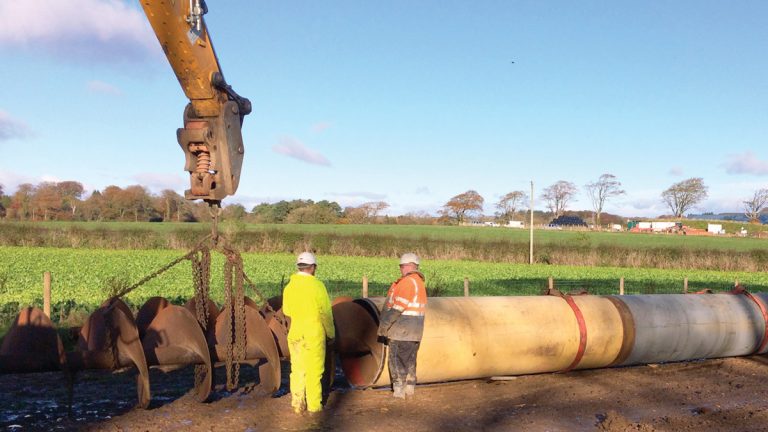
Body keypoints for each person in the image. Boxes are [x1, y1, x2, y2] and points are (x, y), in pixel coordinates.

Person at [281, 252, 335, 414]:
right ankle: (314, 407)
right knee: (314, 371)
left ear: (299, 267)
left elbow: (287, 310)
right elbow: (325, 313)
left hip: (295, 333)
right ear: (312, 268)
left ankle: (297, 405)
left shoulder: (290, 286)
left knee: (297, 370)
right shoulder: (317, 286)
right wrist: (331, 334)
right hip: (313, 335)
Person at [377, 252, 427, 399]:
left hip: (401, 330)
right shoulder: (419, 283)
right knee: (410, 360)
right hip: (415, 331)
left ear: (409, 266)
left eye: (402, 266)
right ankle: (410, 388)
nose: (401, 269)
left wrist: (384, 326)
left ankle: (399, 392)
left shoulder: (407, 282)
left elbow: (398, 307)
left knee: (396, 360)